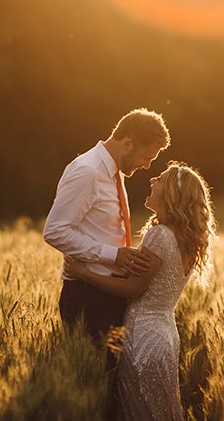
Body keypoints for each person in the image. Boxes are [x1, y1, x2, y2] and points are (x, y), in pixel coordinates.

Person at [43, 108, 171, 419]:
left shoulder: (112, 171)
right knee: (95, 394)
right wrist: (113, 256)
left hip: (107, 293)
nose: (147, 165)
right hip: (87, 296)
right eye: (147, 156)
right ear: (127, 143)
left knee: (109, 393)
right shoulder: (87, 171)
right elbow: (55, 231)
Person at [66, 161, 217, 420]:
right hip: (166, 334)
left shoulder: (159, 234)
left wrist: (84, 274)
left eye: (158, 179)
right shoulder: (185, 238)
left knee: (141, 411)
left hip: (143, 335)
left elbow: (133, 289)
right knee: (160, 410)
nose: (151, 181)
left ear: (170, 192)